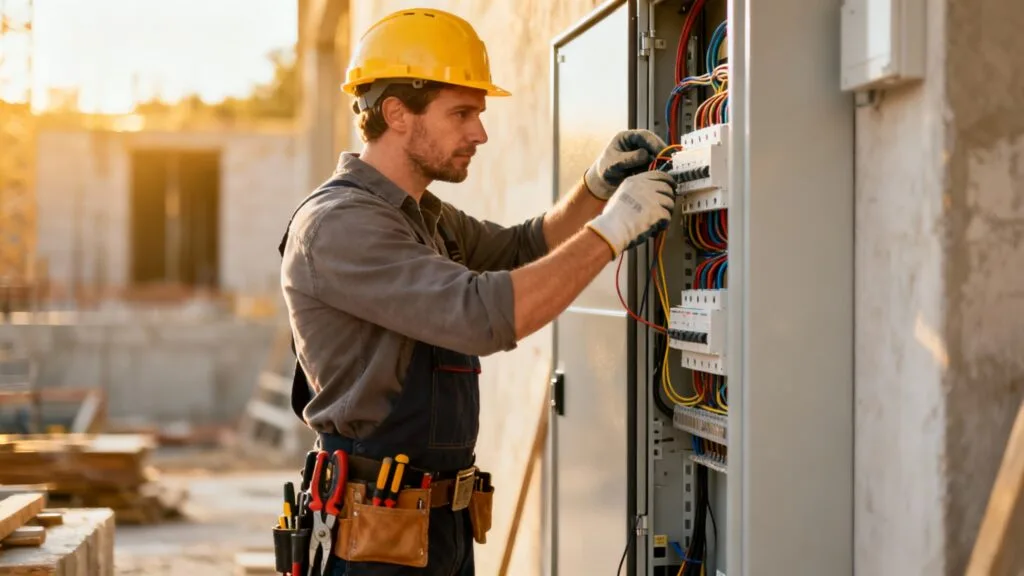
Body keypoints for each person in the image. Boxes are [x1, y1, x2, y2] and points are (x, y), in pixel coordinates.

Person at [278, 7, 675, 576]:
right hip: (373, 541)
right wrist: (612, 232)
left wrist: (594, 188)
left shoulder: (423, 216)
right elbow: (480, 315)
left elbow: (523, 247)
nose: (480, 133)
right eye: (461, 113)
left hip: (438, 529)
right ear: (396, 113)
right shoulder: (341, 225)